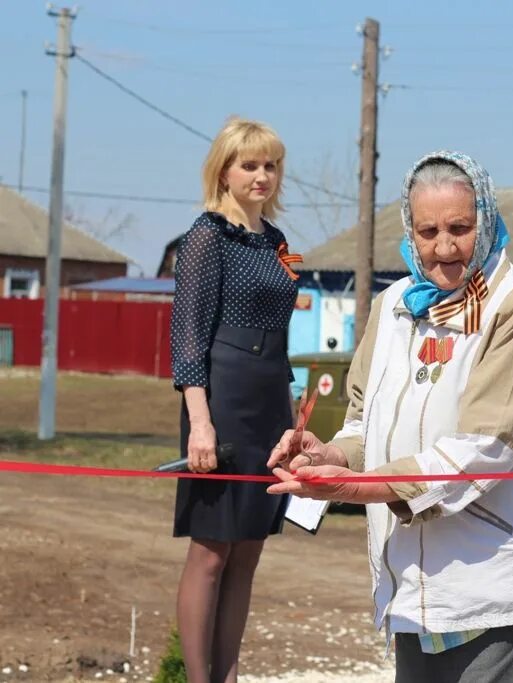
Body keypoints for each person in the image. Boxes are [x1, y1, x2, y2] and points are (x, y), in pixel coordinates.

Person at [267, 150, 513, 683]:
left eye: (460, 228)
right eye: (427, 231)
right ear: (409, 232)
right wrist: (329, 455)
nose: (444, 248)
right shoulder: (393, 305)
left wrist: (356, 487)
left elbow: (482, 451)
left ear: (486, 220)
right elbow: (361, 423)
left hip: (503, 591)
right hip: (418, 593)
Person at [170, 117, 300, 683]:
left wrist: (293, 414)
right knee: (211, 552)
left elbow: (283, 324)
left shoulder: (278, 243)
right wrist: (200, 424)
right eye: (250, 164)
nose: (262, 175)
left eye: (270, 165)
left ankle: (228, 675)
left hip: (270, 398)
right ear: (224, 170)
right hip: (220, 401)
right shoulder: (206, 236)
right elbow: (187, 335)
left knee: (249, 548)